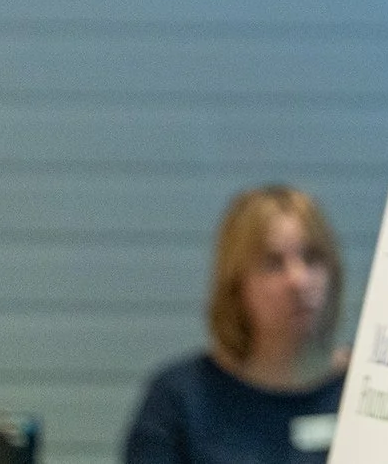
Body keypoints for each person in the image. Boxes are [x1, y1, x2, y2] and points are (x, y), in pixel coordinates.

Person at [124, 185, 349, 464]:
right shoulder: (179, 402)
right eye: (273, 263)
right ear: (236, 285)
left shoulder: (369, 391)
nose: (298, 280)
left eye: (312, 258)